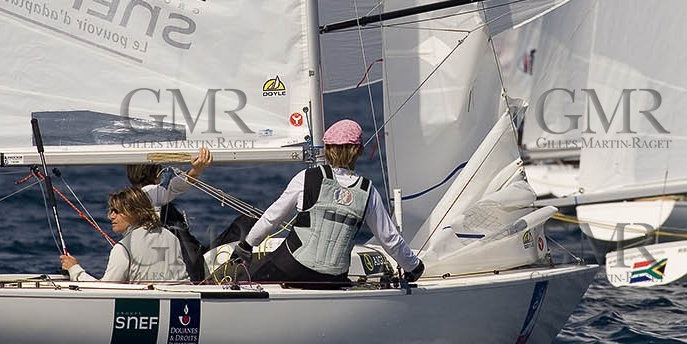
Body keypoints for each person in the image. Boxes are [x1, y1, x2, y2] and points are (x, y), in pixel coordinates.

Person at [232, 119, 424, 288]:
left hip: (291, 267)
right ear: (359, 151)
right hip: (334, 278)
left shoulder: (306, 178)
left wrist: (247, 245)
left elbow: (272, 218)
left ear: (327, 149)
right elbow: (390, 239)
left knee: (240, 277)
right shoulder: (368, 191)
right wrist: (414, 267)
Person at [60, 187, 191, 283]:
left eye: (116, 211)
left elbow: (104, 290)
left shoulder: (122, 249)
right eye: (111, 211)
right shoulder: (170, 237)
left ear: (135, 212)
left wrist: (75, 270)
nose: (110, 216)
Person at [126, 148, 214, 280]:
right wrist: (196, 171)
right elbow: (174, 187)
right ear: (157, 172)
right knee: (245, 221)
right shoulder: (149, 193)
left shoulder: (132, 197)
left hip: (164, 261)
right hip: (184, 267)